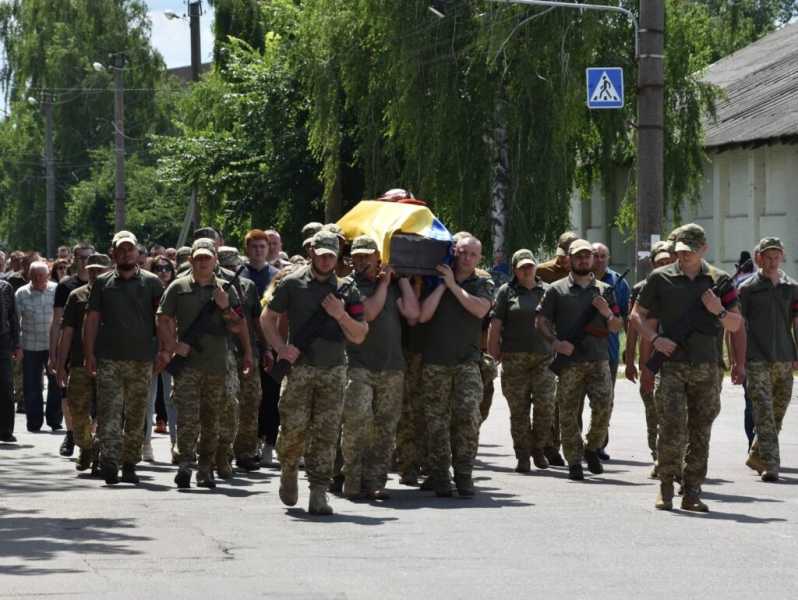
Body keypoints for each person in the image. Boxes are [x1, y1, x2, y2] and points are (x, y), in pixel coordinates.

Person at [631, 224, 745, 512]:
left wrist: (717, 310)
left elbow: (736, 324)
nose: (686, 256)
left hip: (707, 366)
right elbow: (636, 316)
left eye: (691, 250)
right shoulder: (660, 278)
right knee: (670, 427)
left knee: (700, 429)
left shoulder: (719, 280)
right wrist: (656, 339)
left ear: (704, 248)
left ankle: (692, 490)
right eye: (681, 251)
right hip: (671, 366)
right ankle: (666, 487)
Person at [261, 230, 368, 515]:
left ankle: (319, 491)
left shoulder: (347, 288)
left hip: (334, 371)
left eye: (330, 255)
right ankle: (288, 469)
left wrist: (340, 314)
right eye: (320, 254)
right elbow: (267, 317)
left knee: (327, 433)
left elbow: (359, 334)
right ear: (311, 252)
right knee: (293, 429)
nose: (325, 259)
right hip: (300, 370)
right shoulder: (292, 283)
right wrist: (280, 348)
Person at [157, 238, 245, 489]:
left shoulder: (225, 289)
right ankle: (185, 464)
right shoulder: (178, 287)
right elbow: (162, 319)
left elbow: (238, 325)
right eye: (200, 258)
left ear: (215, 261)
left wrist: (225, 307)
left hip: (216, 366)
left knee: (211, 420)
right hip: (187, 366)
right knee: (187, 417)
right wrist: (173, 346)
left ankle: (206, 468)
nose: (204, 262)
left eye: (208, 258)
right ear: (191, 260)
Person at [340, 235, 420, 499]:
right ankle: (352, 476)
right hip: (359, 365)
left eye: (368, 256)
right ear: (352, 260)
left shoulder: (391, 286)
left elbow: (412, 313)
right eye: (358, 256)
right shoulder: (349, 286)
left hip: (392, 367)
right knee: (357, 422)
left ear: (378, 258)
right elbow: (369, 313)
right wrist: (385, 283)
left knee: (385, 427)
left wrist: (403, 281)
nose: (363, 261)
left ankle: (376, 480)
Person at [84, 230, 165, 485]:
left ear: (137, 252)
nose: (126, 253)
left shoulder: (152, 282)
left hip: (142, 359)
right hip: (109, 358)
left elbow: (160, 320)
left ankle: (130, 462)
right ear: (114, 254)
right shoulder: (102, 283)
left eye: (130, 249)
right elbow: (92, 320)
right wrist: (89, 354)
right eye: (121, 249)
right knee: (110, 411)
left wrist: (164, 350)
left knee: (137, 412)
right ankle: (110, 460)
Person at [536, 239, 621, 481]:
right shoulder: (556, 289)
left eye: (587, 256)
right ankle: (574, 459)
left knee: (605, 406)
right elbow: (540, 321)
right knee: (568, 412)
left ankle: (592, 447)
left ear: (593, 260)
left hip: (598, 360)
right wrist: (555, 343)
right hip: (569, 362)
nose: (584, 260)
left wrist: (606, 312)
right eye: (579, 256)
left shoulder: (605, 291)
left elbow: (616, 327)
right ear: (569, 259)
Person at [417, 235, 494, 497]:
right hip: (435, 362)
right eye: (462, 252)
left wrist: (453, 286)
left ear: (479, 258)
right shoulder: (435, 279)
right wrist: (442, 284)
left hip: (467, 362)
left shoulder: (482, 282)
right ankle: (440, 476)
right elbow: (423, 315)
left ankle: (464, 475)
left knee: (467, 418)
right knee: (436, 423)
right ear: (454, 253)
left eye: (473, 254)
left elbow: (481, 309)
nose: (467, 258)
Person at [488, 249, 555, 473]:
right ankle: (523, 455)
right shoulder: (507, 292)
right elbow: (495, 326)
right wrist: (492, 353)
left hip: (544, 357)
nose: (527, 269)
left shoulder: (548, 291)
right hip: (514, 358)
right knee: (519, 410)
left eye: (530, 265)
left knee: (545, 405)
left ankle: (538, 447)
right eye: (522, 266)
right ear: (515, 270)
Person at [738, 237, 798, 482]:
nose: (772, 262)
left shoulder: (792, 287)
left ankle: (756, 453)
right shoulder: (747, 288)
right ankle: (771, 464)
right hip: (756, 356)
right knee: (763, 410)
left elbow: (796, 323)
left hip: (784, 356)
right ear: (759, 258)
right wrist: (737, 361)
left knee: (777, 413)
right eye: (767, 257)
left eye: (776, 257)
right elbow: (738, 326)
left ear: (782, 257)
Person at [56, 254, 113, 472]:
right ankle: (86, 446)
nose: (95, 274)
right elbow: (67, 332)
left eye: (100, 270)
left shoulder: (116, 296)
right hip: (79, 363)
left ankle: (98, 453)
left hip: (110, 363)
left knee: (107, 412)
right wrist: (61, 364)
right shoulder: (76, 295)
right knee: (77, 410)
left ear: (110, 270)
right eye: (92, 270)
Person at [624, 240, 675, 477]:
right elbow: (633, 326)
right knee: (652, 411)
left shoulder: (680, 285)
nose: (666, 264)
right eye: (662, 261)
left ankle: (672, 458)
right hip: (650, 356)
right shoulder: (641, 289)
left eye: (669, 261)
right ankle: (657, 456)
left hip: (675, 357)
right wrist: (632, 361)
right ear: (653, 263)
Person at [582, 242, 631, 460]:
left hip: (608, 352)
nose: (599, 260)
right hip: (578, 351)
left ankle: (598, 443)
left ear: (608, 259)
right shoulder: (578, 279)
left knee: (604, 401)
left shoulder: (619, 283)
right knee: (573, 402)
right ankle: (574, 443)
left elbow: (627, 319)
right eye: (595, 255)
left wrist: (630, 350)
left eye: (603, 256)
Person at [49, 243, 95, 458]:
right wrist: (54, 354)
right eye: (81, 257)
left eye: (89, 257)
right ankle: (70, 432)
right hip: (72, 347)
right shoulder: (66, 286)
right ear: (74, 259)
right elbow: (57, 322)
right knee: (68, 393)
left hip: (98, 349)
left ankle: (90, 437)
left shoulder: (105, 284)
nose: (85, 261)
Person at [16, 261, 61, 432]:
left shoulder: (57, 290)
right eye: (33, 275)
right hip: (30, 346)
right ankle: (34, 422)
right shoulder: (21, 293)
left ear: (48, 275)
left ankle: (55, 420)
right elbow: (16, 321)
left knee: (56, 384)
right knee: (32, 386)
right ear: (28, 276)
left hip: (54, 346)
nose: (36, 278)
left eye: (40, 275)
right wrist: (17, 346)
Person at [143, 255, 178, 463]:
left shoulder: (178, 290)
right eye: (158, 267)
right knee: (148, 399)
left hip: (174, 348)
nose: (163, 271)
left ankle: (176, 444)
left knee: (172, 399)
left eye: (167, 267)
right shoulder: (146, 289)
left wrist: (169, 349)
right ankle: (146, 443)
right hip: (148, 348)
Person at [0, 277, 22, 443]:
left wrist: (16, 344)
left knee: (6, 384)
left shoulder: (5, 287)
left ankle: (6, 430)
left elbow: (13, 317)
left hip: (3, 341)